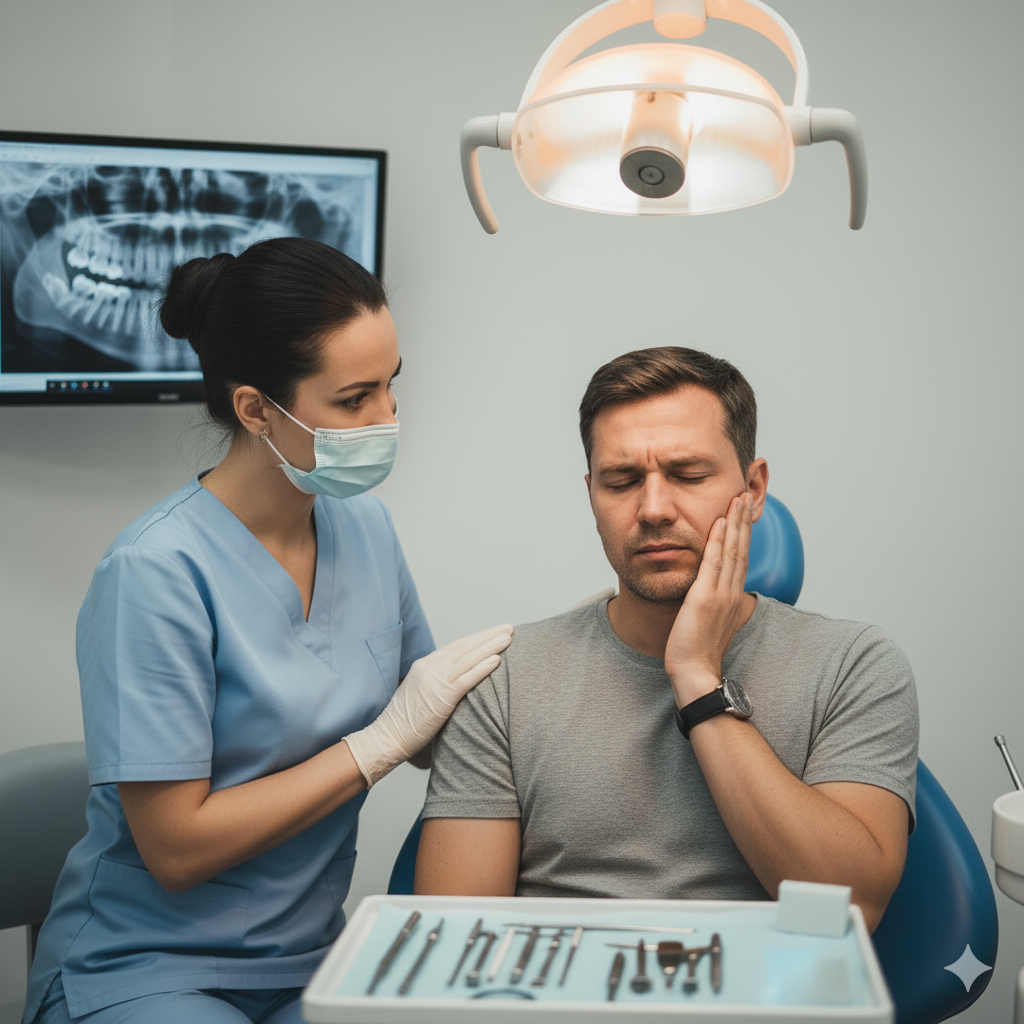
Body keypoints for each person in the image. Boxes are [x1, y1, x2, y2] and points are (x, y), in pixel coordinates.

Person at [24, 237, 512, 1024]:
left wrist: (605, 638)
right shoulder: (154, 573)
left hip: (313, 961)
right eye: (354, 400)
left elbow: (426, 727)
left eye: (391, 387)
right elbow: (176, 850)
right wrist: (371, 747)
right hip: (147, 967)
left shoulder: (366, 528)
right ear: (256, 409)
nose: (387, 419)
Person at [416, 346, 918, 934]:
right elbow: (453, 944)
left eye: (687, 475)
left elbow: (851, 906)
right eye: (622, 481)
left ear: (753, 489)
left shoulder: (854, 665)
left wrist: (697, 678)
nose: (652, 509)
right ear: (591, 496)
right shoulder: (502, 680)